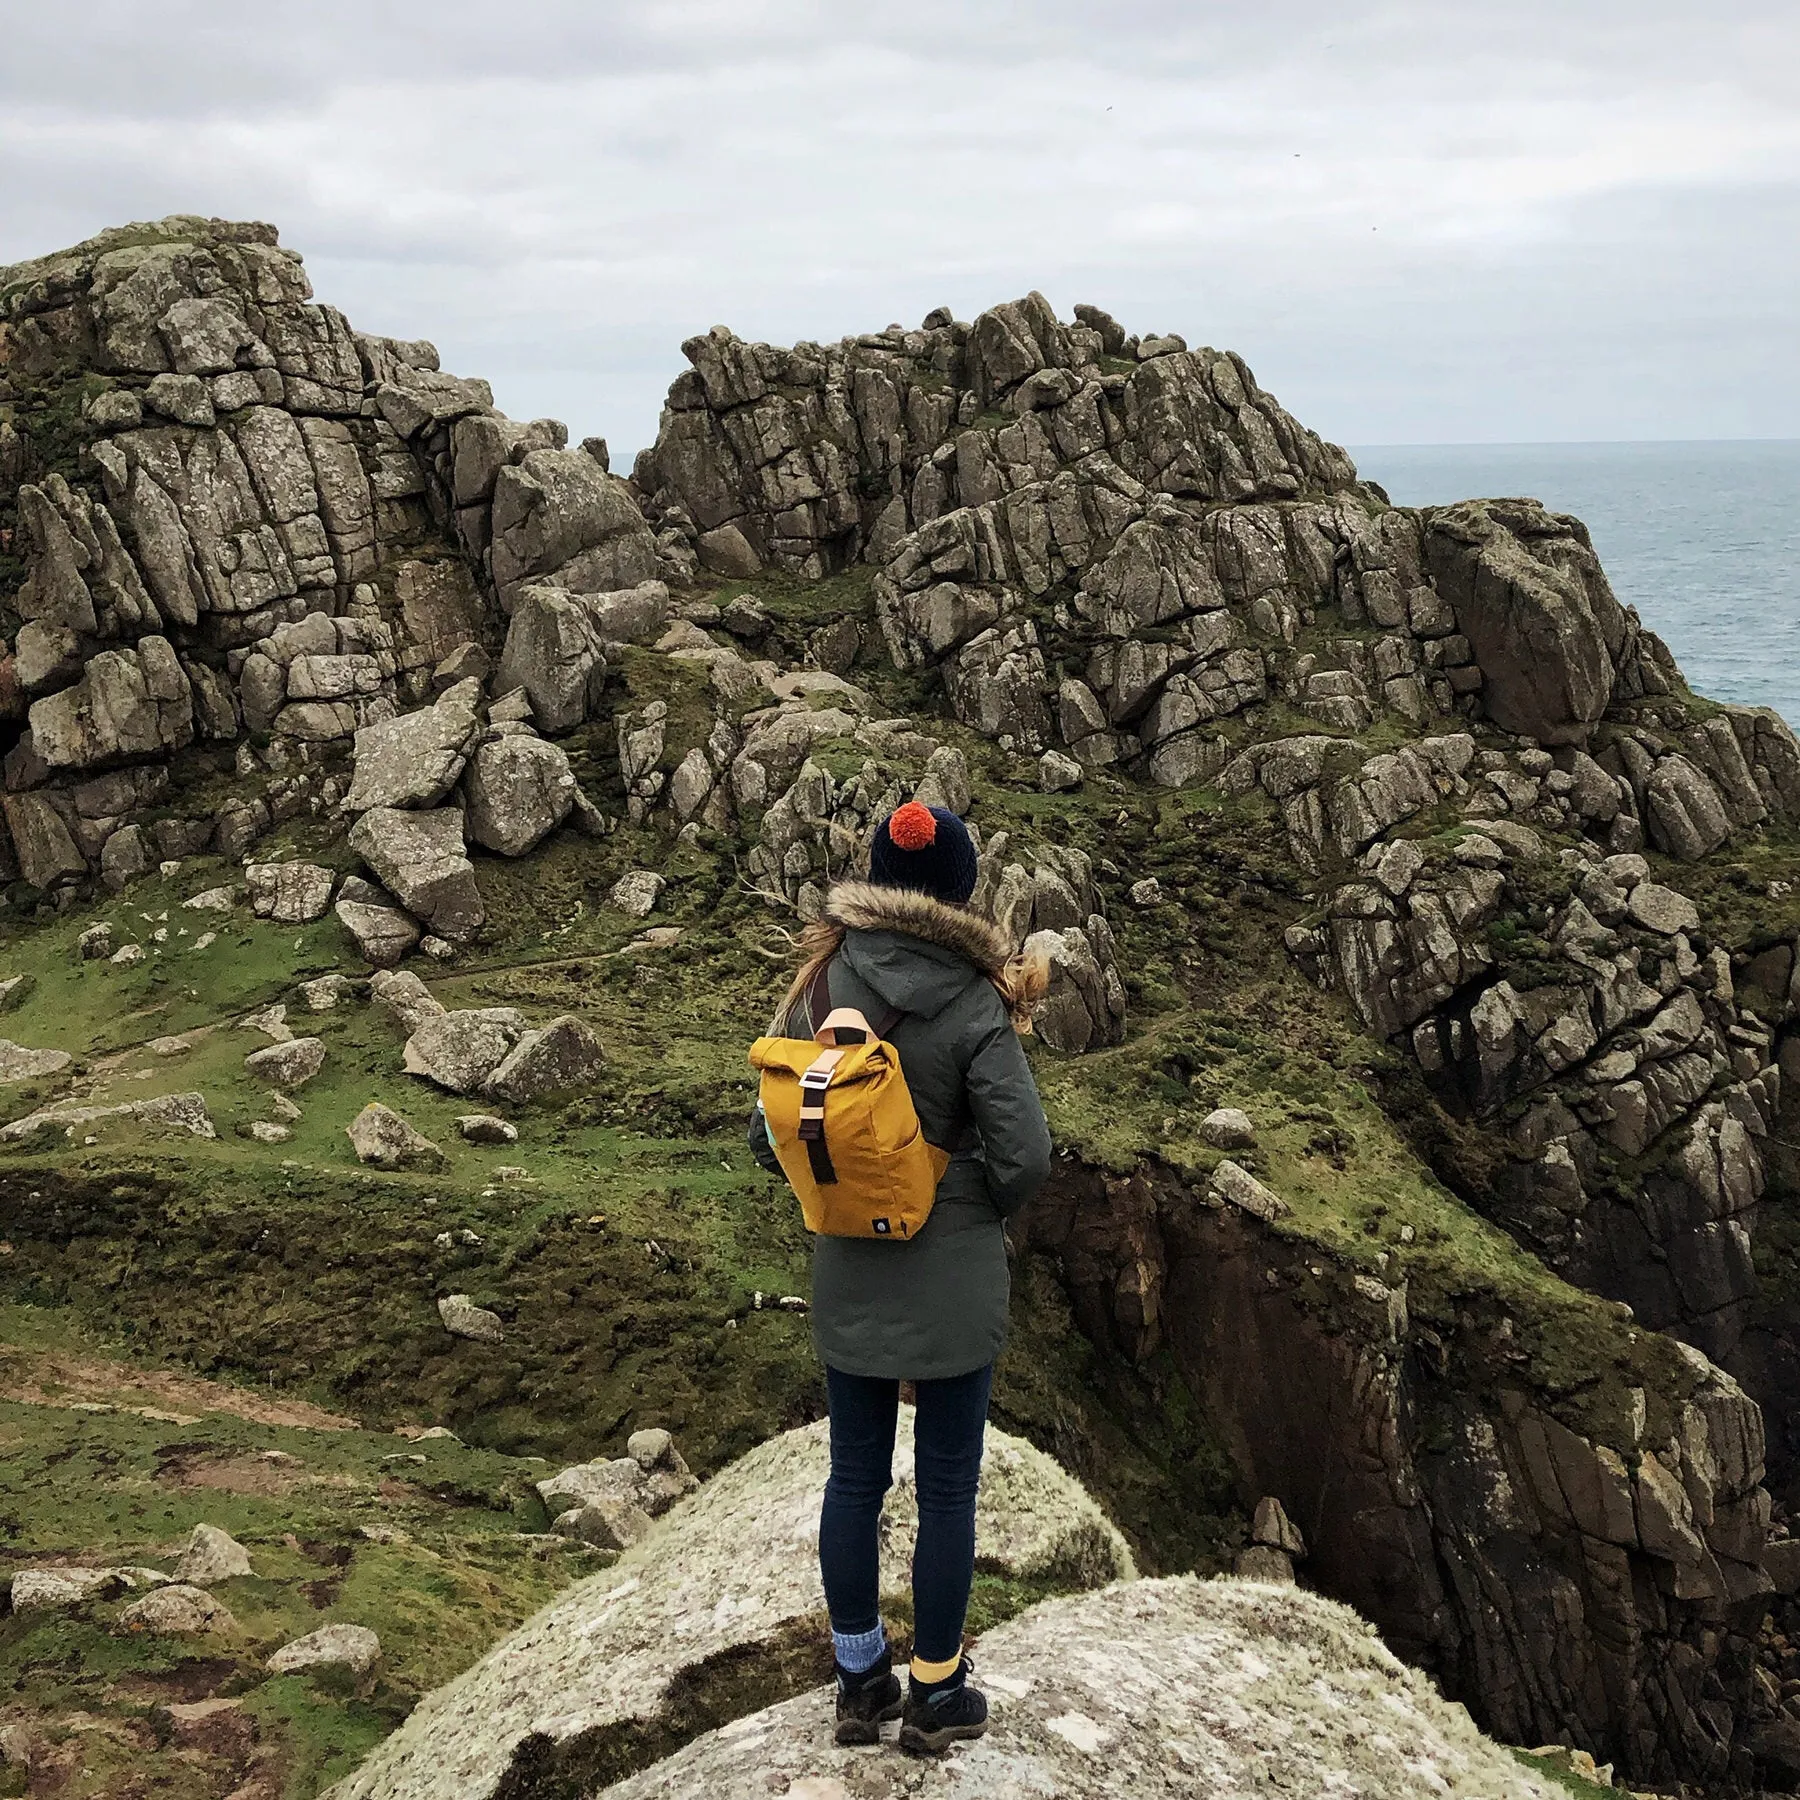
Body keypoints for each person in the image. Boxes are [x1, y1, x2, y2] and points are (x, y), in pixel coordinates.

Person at [748, 800, 1053, 1755]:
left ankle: (858, 1677)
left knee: (854, 1475)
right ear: (961, 889)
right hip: (953, 1269)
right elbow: (1026, 1157)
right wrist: (971, 1204)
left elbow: (771, 1137)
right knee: (949, 1487)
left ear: (878, 878)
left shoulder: (824, 977)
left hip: (848, 1265)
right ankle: (937, 1690)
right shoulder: (974, 999)